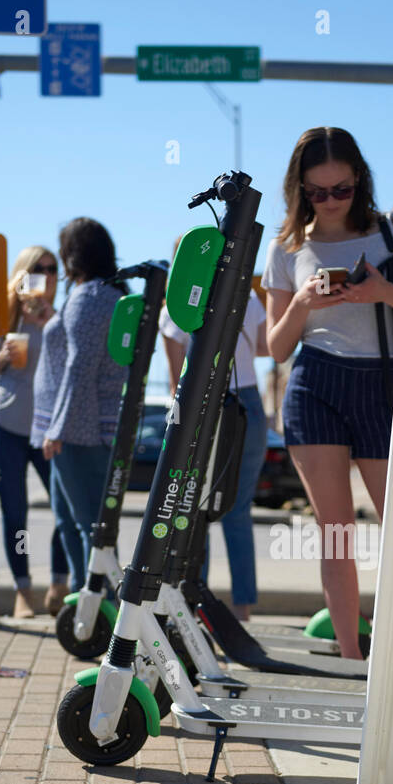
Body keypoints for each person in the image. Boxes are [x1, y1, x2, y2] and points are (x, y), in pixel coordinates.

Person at [262, 126, 393, 658]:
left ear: (360, 180)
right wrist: (304, 302)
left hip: (384, 378)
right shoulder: (288, 247)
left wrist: (382, 291)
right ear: (299, 190)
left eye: (341, 189)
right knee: (335, 533)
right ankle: (353, 658)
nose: (330, 201)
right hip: (317, 383)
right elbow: (276, 346)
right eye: (317, 192)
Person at [160, 256, 269, 621]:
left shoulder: (183, 298)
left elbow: (179, 376)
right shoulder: (248, 296)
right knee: (236, 511)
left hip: (206, 400)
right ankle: (242, 610)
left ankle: (193, 608)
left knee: (193, 509)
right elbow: (265, 345)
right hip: (247, 401)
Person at [31, 219, 127, 593]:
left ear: (74, 254)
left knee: (90, 525)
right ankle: (83, 597)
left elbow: (79, 367)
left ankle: (103, 607)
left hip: (77, 431)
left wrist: (57, 430)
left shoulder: (89, 298)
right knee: (69, 519)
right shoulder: (104, 294)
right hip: (78, 427)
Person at [0, 246, 70, 619]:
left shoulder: (60, 317)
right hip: (6, 425)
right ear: (22, 273)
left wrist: (48, 320)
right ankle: (23, 590)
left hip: (47, 428)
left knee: (64, 510)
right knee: (15, 515)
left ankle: (59, 583)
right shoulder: (3, 314)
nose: (47, 276)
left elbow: (75, 362)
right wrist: (1, 359)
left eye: (52, 269)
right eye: (38, 269)